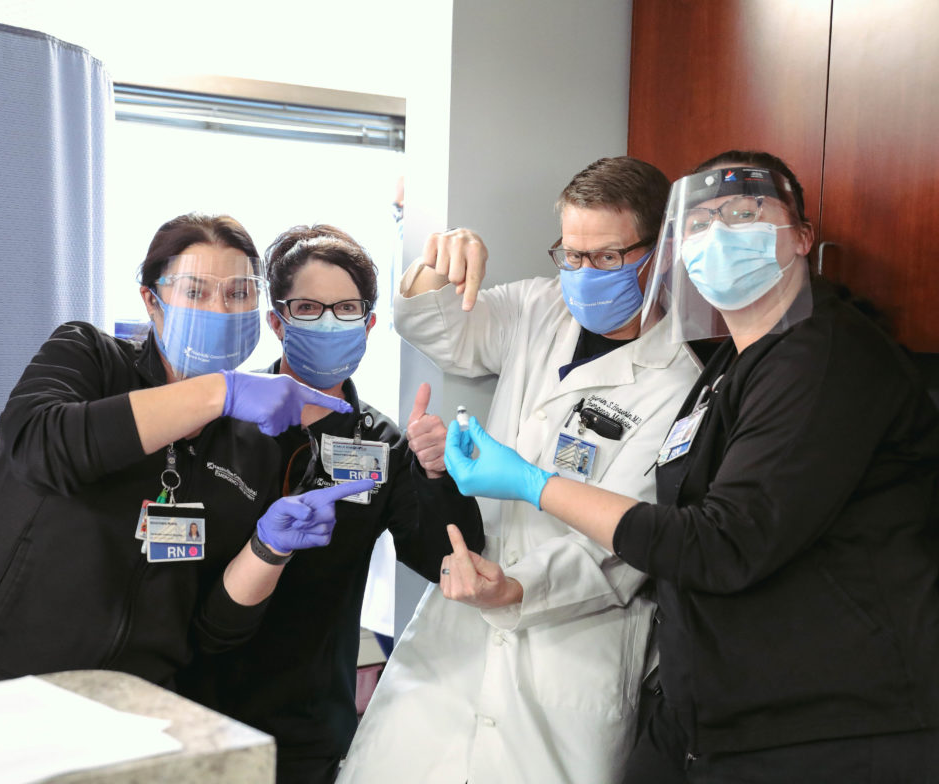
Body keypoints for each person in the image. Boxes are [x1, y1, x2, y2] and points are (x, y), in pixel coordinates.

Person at [443, 152, 939, 782]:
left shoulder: (823, 356)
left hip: (830, 723)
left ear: (803, 239)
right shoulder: (730, 366)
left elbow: (721, 543)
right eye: (700, 223)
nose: (721, 235)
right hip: (716, 710)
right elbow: (678, 521)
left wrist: (535, 485)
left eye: (746, 212)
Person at [339, 157, 702, 783]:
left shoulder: (681, 382)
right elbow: (432, 324)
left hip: (570, 654)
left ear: (659, 252)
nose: (585, 275)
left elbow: (625, 543)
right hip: (455, 646)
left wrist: (512, 588)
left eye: (608, 258)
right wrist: (442, 258)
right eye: (572, 254)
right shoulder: (539, 307)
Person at [0, 213, 372, 688]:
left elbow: (212, 630)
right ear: (152, 303)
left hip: (125, 708)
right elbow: (38, 448)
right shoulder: (90, 358)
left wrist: (268, 549)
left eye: (238, 294)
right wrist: (220, 393)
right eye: (195, 291)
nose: (220, 309)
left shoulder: (254, 449)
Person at [177, 225, 484, 784]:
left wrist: (437, 473)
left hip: (309, 722)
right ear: (276, 320)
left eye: (345, 308)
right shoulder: (221, 415)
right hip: (201, 704)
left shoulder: (382, 443)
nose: (327, 321)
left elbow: (444, 559)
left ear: (368, 324)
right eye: (307, 307)